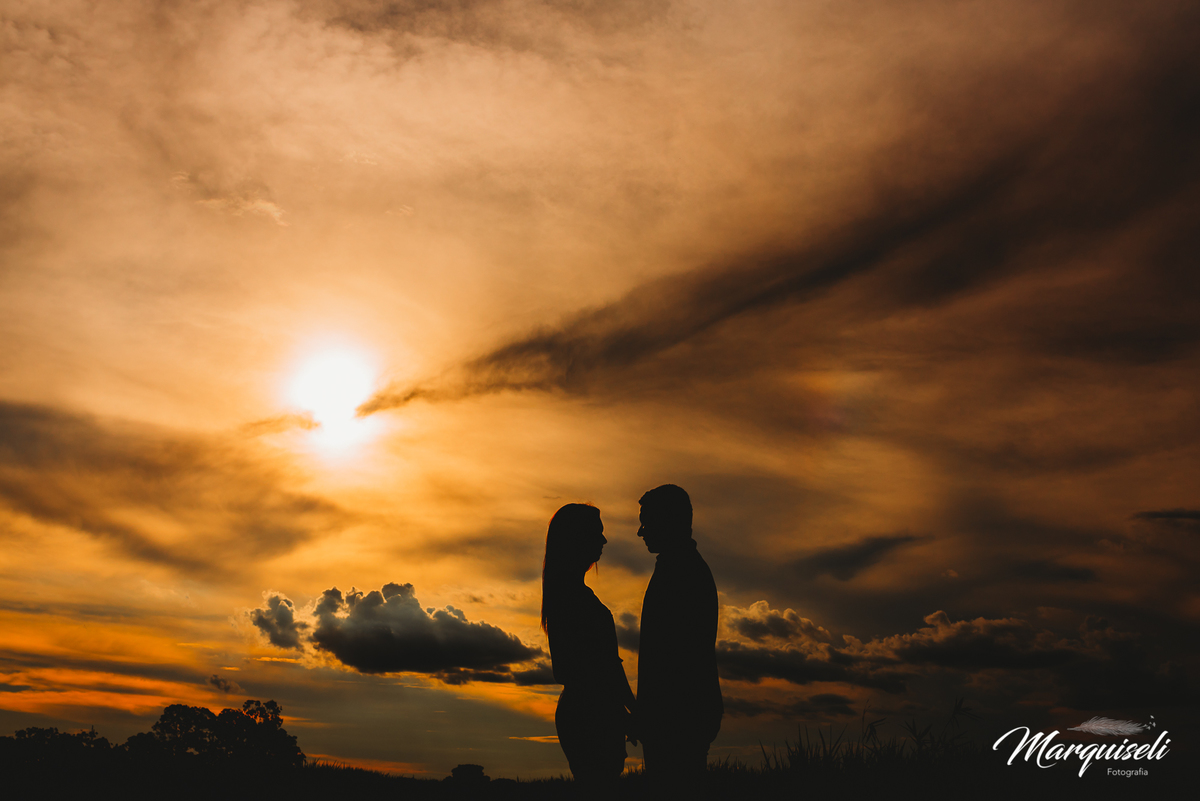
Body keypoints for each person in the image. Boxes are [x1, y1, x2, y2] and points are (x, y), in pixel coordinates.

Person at [541, 503, 636, 795]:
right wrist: (626, 713)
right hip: (589, 713)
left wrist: (629, 710)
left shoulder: (571, 595)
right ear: (577, 539)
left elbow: (607, 664)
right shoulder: (572, 599)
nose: (604, 541)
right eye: (597, 533)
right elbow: (591, 668)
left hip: (592, 710)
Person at [635, 484, 722, 791]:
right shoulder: (679, 568)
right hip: (678, 719)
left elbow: (673, 660)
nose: (640, 532)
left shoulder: (681, 573)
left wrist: (650, 714)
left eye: (646, 522)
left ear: (668, 521)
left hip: (676, 721)